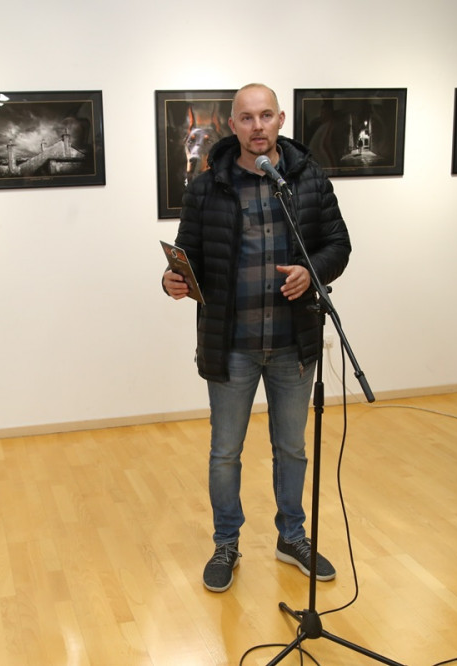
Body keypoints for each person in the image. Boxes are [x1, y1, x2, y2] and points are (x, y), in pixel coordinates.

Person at [163, 83, 352, 592]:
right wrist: (172, 280)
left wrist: (313, 272)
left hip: (294, 342)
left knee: (292, 449)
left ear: (281, 119)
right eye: (246, 118)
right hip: (232, 345)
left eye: (266, 115)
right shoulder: (207, 186)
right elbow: (186, 254)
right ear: (232, 125)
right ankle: (226, 543)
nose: (258, 126)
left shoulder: (308, 179)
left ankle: (292, 537)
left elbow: (338, 245)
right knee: (226, 451)